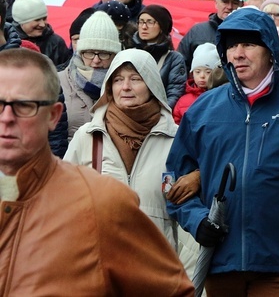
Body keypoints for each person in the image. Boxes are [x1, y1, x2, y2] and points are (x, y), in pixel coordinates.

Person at [167, 7, 279, 295]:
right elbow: (174, 179)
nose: (238, 53)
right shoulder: (203, 109)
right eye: (231, 45)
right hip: (220, 260)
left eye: (248, 44)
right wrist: (196, 219)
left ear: (270, 51)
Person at [0, 48, 194, 296]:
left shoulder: (101, 199)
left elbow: (175, 287)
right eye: (118, 79)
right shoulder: (88, 136)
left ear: (53, 116)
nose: (6, 118)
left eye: (24, 105)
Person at [58, 11, 121, 140]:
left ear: (115, 55)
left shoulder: (125, 86)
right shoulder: (58, 81)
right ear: (80, 53)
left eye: (104, 53)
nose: (96, 60)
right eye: (89, 53)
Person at [177, 0, 244, 68]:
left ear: (242, 5)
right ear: (216, 3)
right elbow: (181, 63)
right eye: (225, 1)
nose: (229, 7)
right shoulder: (197, 31)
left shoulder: (250, 32)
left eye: (235, 2)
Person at [133, 5, 187, 109]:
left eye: (150, 22)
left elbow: (175, 92)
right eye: (141, 21)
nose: (144, 27)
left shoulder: (174, 59)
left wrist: (159, 113)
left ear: (162, 27)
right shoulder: (130, 53)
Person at [11, 0, 70, 67]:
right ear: (22, 21)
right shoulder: (9, 42)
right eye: (37, 20)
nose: (42, 24)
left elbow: (66, 70)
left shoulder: (56, 42)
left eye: (44, 18)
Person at [173, 43, 221, 125]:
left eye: (208, 72)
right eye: (197, 72)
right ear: (192, 74)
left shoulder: (221, 97)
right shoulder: (183, 100)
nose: (202, 76)